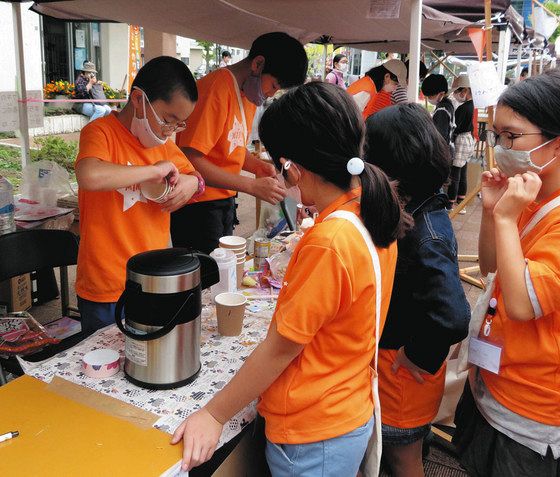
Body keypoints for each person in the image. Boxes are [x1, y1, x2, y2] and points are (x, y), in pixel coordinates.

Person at [171, 82, 408, 474]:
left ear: (293, 167)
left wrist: (213, 415)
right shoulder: (369, 205)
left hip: (313, 431)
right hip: (344, 407)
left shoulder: (329, 240)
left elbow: (281, 348)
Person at [453, 68, 560, 477]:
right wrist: (493, 212)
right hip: (498, 382)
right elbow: (493, 269)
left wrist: (506, 219)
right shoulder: (531, 189)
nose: (501, 148)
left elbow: (523, 305)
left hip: (538, 406)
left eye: (511, 137)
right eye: (497, 136)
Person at [365, 103, 471, 477]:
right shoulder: (420, 207)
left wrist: (418, 355)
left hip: (404, 376)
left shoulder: (428, 232)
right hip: (399, 372)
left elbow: (454, 316)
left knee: (401, 459)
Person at [74, 56, 203, 333]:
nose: (170, 131)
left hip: (154, 280)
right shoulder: (100, 132)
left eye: (179, 124)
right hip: (106, 285)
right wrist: (151, 171)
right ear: (138, 100)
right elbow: (90, 175)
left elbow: (195, 177)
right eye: (169, 119)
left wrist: (191, 185)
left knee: (147, 360)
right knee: (102, 369)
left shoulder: (163, 145)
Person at [171, 32, 308, 254]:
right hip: (198, 207)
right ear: (257, 64)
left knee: (224, 271)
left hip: (223, 202)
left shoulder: (248, 94)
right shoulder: (216, 88)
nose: (271, 94)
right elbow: (190, 158)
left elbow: (230, 148)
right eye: (273, 85)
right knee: (209, 278)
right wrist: (251, 186)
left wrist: (257, 166)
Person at [448, 74, 475, 213]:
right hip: (469, 139)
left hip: (461, 140)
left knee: (455, 172)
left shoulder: (463, 108)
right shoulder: (472, 105)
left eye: (458, 91)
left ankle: (451, 203)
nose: (456, 94)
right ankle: (461, 201)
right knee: (462, 171)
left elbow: (455, 127)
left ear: (465, 91)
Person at [421, 74, 455, 147]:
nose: (428, 98)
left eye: (430, 96)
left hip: (442, 151)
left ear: (441, 94)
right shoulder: (448, 104)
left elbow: (439, 136)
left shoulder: (442, 110)